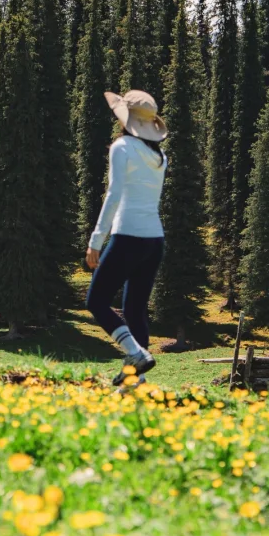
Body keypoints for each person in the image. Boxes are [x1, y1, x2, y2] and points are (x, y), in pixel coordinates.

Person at [85, 89, 167, 384]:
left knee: (96, 301)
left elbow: (114, 193)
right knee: (134, 309)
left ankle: (135, 353)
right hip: (154, 240)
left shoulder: (121, 147)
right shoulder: (159, 156)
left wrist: (96, 240)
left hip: (128, 235)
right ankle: (135, 381)